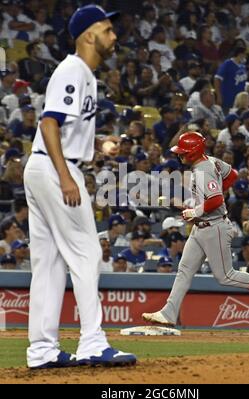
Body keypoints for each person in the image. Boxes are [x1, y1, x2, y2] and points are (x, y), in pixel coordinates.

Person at [23, 5, 136, 370]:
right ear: (89, 34)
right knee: (87, 253)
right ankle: (91, 342)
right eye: (106, 29)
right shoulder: (73, 70)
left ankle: (42, 349)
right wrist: (67, 176)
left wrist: (99, 143)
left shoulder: (82, 73)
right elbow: (48, 124)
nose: (113, 36)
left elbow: (62, 126)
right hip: (55, 169)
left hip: (44, 167)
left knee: (50, 263)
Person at [142, 132, 249, 327]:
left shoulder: (203, 170)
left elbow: (216, 200)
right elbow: (232, 175)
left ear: (193, 152)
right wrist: (212, 196)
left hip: (215, 226)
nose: (180, 155)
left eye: (183, 152)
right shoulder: (211, 161)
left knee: (225, 276)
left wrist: (195, 211)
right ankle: (169, 313)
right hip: (202, 227)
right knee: (184, 271)